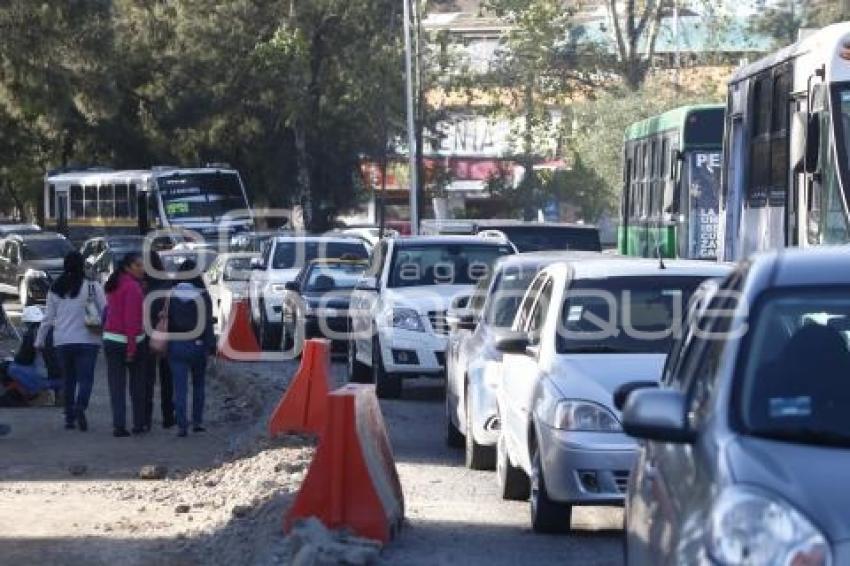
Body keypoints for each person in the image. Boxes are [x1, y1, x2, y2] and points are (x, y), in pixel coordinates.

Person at [35, 251, 106, 431]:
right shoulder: (92, 286)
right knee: (86, 379)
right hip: (89, 339)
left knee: (68, 379)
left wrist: (39, 340)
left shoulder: (55, 288)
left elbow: (48, 318)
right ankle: (80, 407)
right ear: (82, 265)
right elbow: (106, 310)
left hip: (62, 340)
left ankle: (69, 417)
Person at [166, 259, 215, 437]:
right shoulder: (203, 295)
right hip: (198, 345)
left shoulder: (171, 294)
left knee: (179, 387)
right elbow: (208, 323)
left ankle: (181, 425)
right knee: (199, 385)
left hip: (176, 344)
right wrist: (211, 347)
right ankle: (197, 422)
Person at [103, 252, 146, 437]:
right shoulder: (133, 287)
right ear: (128, 267)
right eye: (138, 265)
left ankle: (118, 425)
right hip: (131, 341)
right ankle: (138, 424)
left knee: (116, 387)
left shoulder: (113, 284)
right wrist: (131, 348)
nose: (142, 269)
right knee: (137, 386)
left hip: (111, 339)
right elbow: (131, 320)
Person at [143, 251, 175, 430]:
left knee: (146, 379)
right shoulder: (167, 283)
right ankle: (168, 416)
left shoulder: (141, 285)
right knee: (167, 379)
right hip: (164, 335)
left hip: (144, 336)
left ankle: (145, 418)